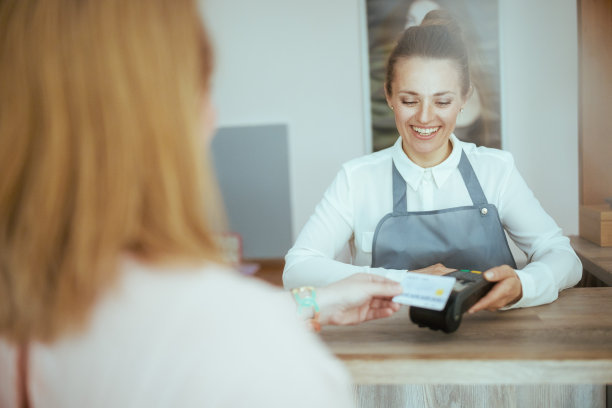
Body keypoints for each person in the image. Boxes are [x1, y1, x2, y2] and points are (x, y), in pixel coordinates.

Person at [0, 1, 403, 407]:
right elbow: (214, 329)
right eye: (205, 88)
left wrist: (318, 303)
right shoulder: (258, 363)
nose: (213, 116)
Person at [283, 10, 582, 313]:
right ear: (388, 96)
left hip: (491, 344)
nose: (425, 117)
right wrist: (403, 282)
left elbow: (562, 256)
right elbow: (298, 268)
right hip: (387, 346)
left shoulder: (496, 171)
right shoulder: (356, 179)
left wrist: (524, 285)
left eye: (442, 101)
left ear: (465, 98)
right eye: (409, 100)